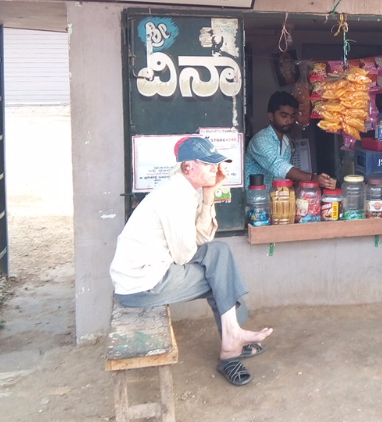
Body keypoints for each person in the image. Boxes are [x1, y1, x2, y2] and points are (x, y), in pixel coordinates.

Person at [110, 136, 272, 386]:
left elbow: (204, 239)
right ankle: (231, 344)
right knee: (219, 279)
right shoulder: (175, 196)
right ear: (188, 167)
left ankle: (233, 335)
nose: (214, 170)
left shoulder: (186, 190)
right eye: (208, 165)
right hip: (142, 284)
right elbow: (184, 255)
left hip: (152, 270)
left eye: (214, 164)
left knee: (219, 253)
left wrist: (209, 195)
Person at [244, 90, 336, 189]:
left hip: (275, 200)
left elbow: (282, 177)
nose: (289, 120)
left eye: (292, 116)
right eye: (284, 116)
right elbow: (279, 166)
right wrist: (313, 178)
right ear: (271, 116)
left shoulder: (287, 142)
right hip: (254, 200)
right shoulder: (261, 140)